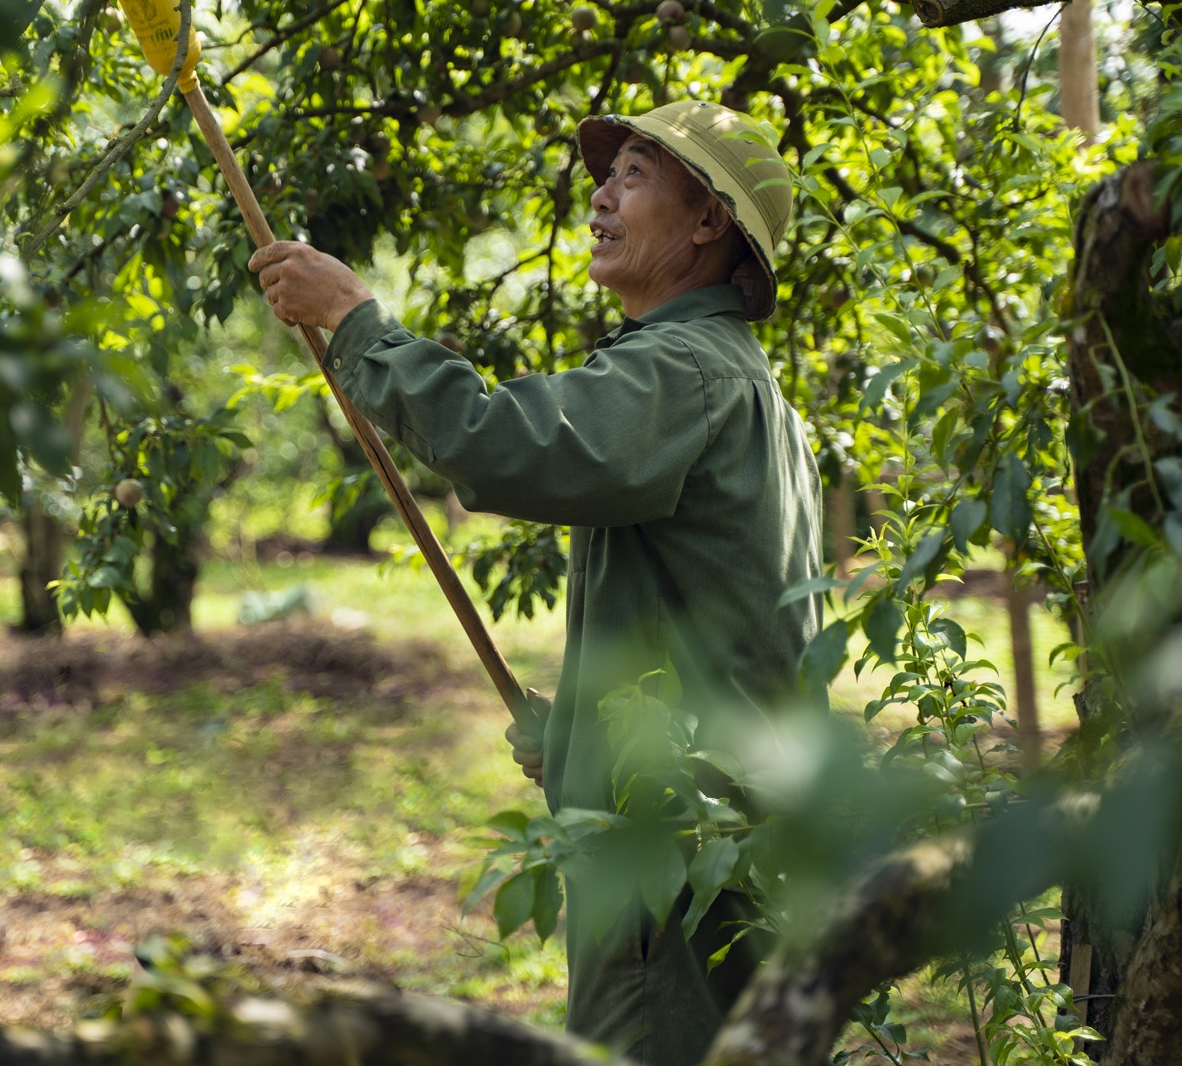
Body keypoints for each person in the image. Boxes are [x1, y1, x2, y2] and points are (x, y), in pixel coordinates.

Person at [248, 102, 823, 1065]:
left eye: (635, 176)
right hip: (726, 835)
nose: (599, 194)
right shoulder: (737, 377)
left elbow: (504, 447)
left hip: (674, 858)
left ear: (709, 224)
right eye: (609, 174)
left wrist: (357, 326)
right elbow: (726, 635)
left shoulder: (684, 370)